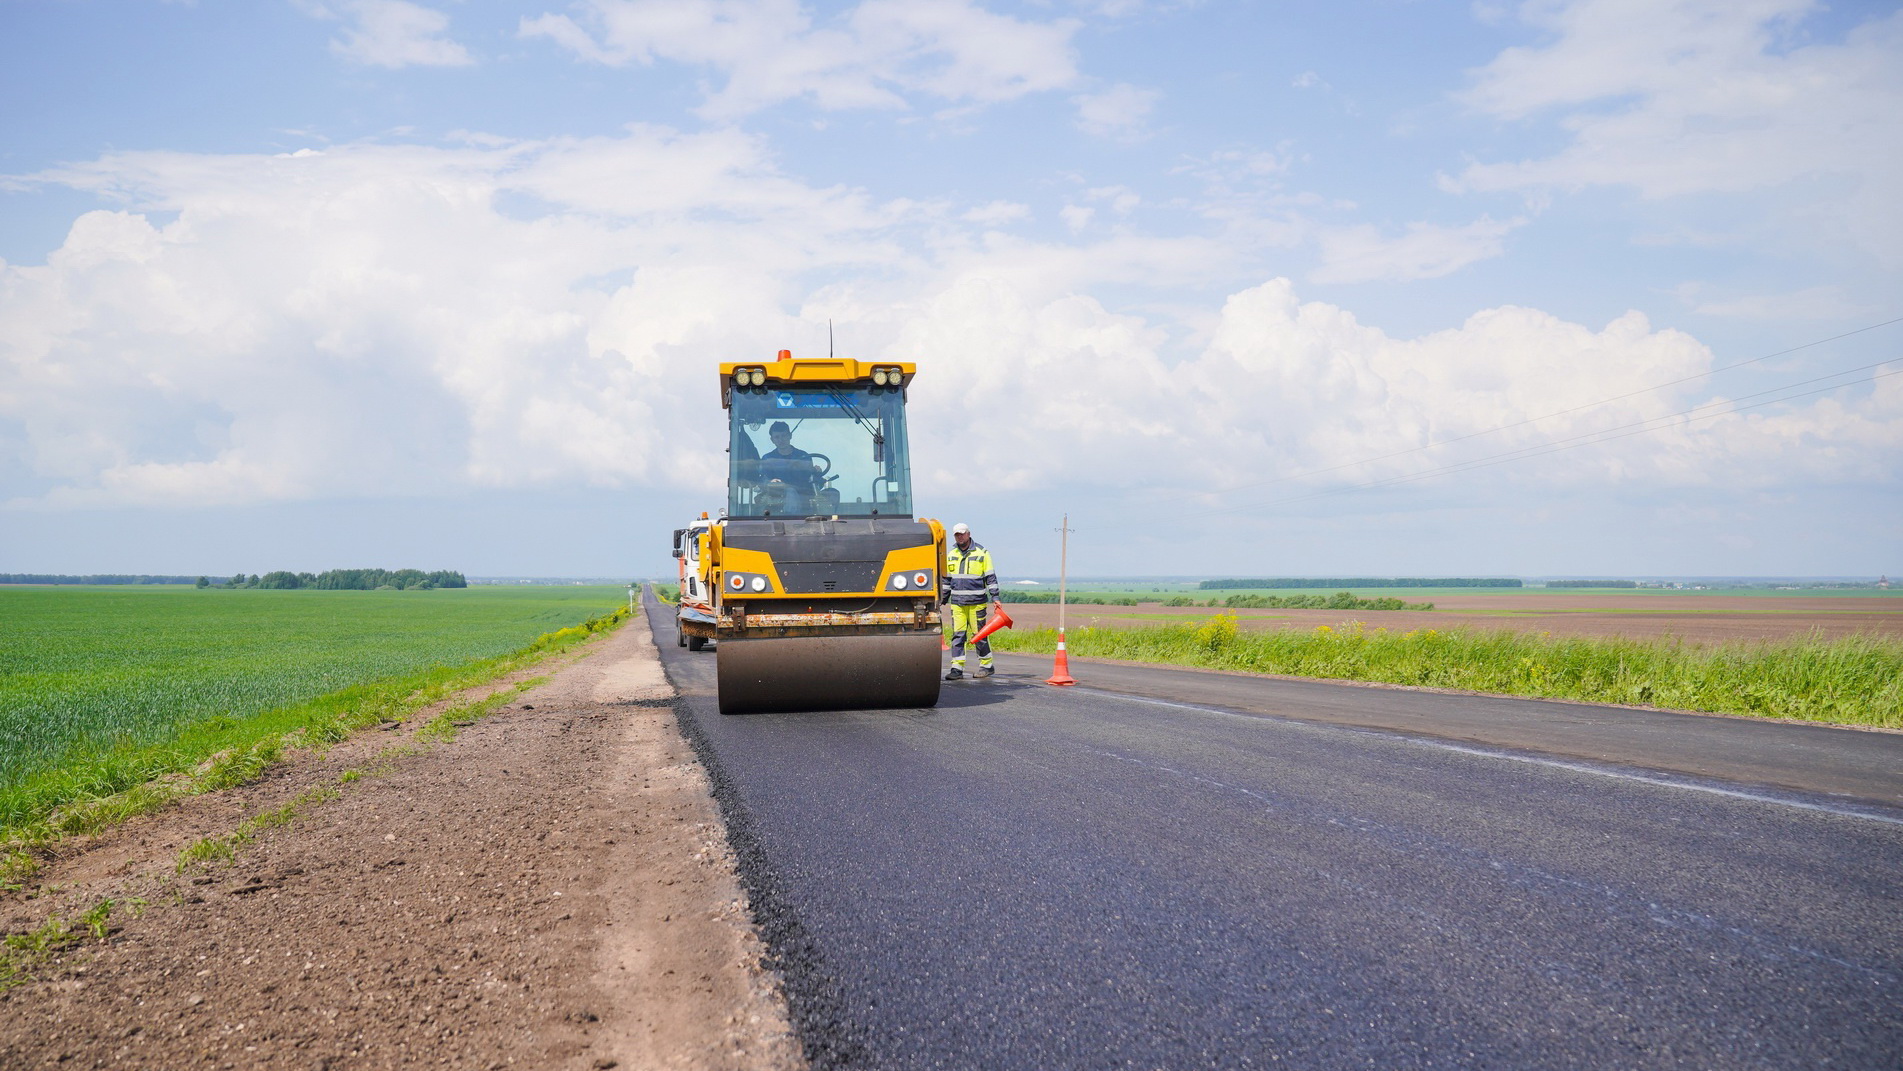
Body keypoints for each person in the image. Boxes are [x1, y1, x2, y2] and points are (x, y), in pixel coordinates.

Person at [940, 522, 1000, 680]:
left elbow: (991, 578)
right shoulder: (951, 555)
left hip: (976, 603)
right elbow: (946, 581)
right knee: (958, 636)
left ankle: (987, 666)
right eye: (957, 534)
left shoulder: (982, 553)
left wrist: (995, 598)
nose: (960, 537)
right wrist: (942, 600)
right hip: (958, 604)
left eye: (962, 533)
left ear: (968, 534)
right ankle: (956, 669)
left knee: (979, 635)